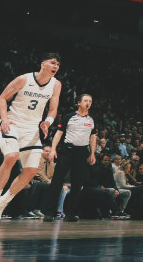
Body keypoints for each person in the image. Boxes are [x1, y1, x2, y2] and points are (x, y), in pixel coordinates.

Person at [0, 53, 63, 222]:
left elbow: (52, 109)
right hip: (13, 123)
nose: (56, 67)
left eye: (58, 64)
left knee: (31, 171)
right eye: (53, 63)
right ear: (43, 64)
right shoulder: (23, 79)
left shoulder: (56, 85)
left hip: (32, 129)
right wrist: (4, 119)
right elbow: (2, 98)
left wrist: (48, 122)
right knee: (12, 156)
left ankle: (2, 203)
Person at [43, 93, 98, 222]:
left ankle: (71, 213)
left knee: (77, 184)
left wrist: (92, 153)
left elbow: (93, 137)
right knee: (57, 181)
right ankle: (49, 212)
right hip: (67, 151)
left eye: (90, 101)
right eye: (85, 100)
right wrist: (53, 149)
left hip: (82, 152)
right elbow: (59, 133)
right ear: (79, 102)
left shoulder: (92, 119)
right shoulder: (69, 116)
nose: (88, 103)